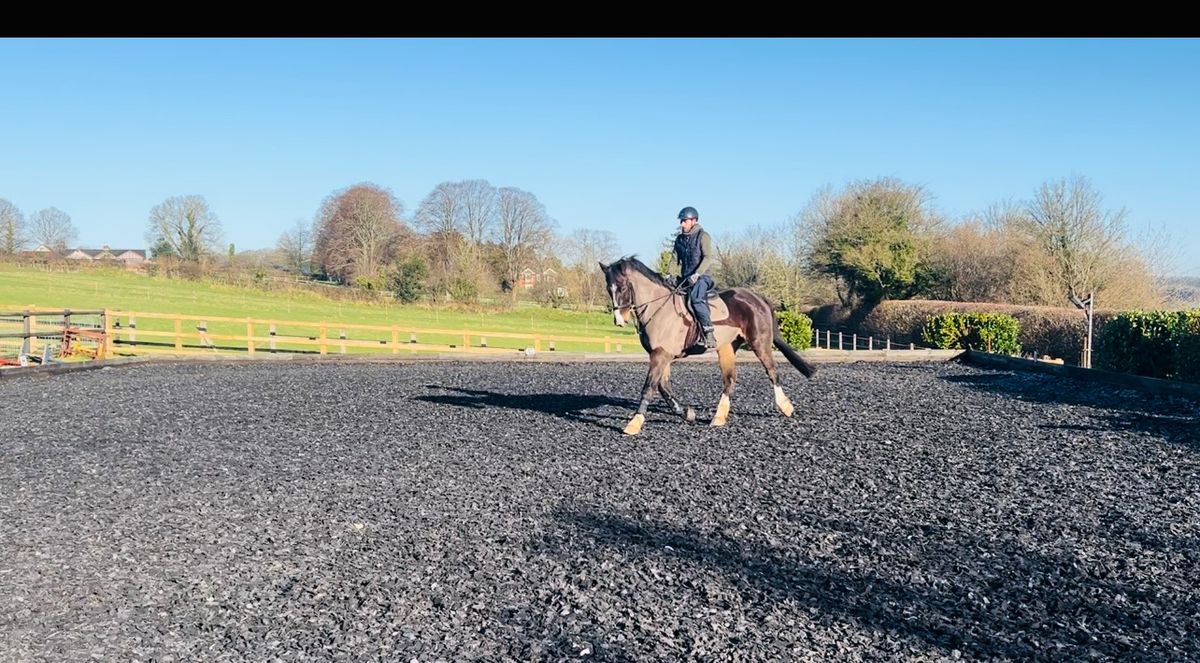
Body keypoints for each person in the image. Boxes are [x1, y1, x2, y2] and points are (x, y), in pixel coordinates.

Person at [669, 206, 718, 349]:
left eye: (684, 221)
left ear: (694, 221)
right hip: (685, 277)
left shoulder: (703, 236)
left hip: (702, 276)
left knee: (696, 299)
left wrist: (697, 274)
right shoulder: (679, 239)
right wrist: (669, 274)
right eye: (681, 221)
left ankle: (709, 333)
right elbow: (674, 259)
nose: (682, 224)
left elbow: (708, 257)